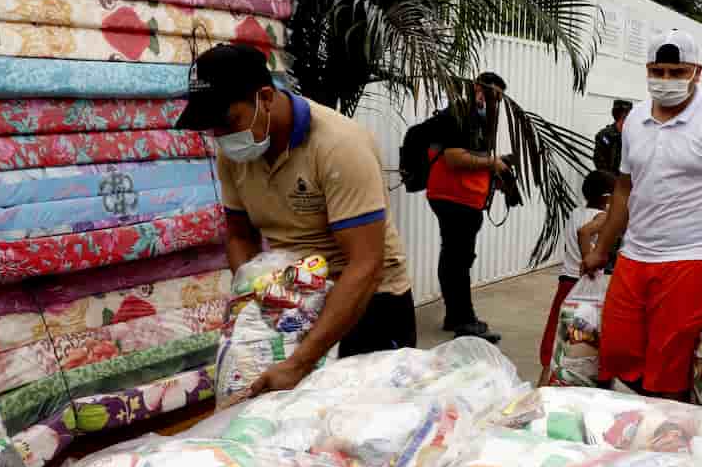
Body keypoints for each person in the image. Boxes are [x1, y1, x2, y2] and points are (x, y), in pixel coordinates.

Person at [176, 44, 416, 394]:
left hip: (368, 304)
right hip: (294, 302)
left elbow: (366, 263)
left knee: (366, 429)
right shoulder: (235, 152)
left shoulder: (338, 145)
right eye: (213, 129)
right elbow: (240, 236)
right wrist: (253, 299)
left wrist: (301, 362)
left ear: (266, 97)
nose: (222, 138)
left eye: (228, 122)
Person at [582, 29, 702, 402]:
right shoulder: (635, 120)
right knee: (618, 350)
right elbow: (624, 190)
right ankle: (653, 415)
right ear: (647, 69)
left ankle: (670, 436)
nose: (666, 80)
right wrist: (603, 248)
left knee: (670, 364)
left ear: (697, 72)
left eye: (677, 72)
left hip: (695, 257)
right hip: (636, 254)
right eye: (658, 71)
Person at [425, 72, 510, 343]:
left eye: (499, 98)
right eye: (492, 94)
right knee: (458, 260)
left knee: (454, 257)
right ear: (477, 88)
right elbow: (453, 157)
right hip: (454, 197)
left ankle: (457, 315)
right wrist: (491, 163)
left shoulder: (479, 117)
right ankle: (464, 320)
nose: (494, 101)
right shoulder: (460, 114)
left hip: (463, 197)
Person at [538, 170, 616, 386]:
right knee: (585, 341)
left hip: (566, 281)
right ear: (607, 197)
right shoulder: (601, 216)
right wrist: (588, 260)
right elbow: (585, 233)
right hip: (584, 286)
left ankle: (543, 385)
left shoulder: (576, 212)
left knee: (556, 337)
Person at [594, 99, 633, 172]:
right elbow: (599, 162)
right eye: (629, 114)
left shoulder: (633, 136)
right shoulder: (605, 136)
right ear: (623, 116)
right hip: (609, 179)